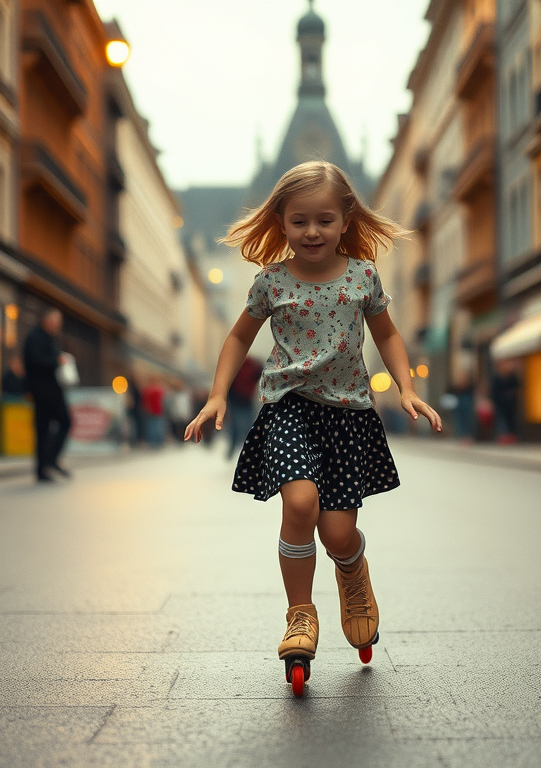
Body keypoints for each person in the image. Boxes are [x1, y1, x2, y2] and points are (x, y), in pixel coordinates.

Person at [184, 161, 442, 688]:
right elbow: (237, 338)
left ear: (346, 219)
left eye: (324, 219)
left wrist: (408, 387)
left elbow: (388, 335)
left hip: (347, 415)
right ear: (280, 221)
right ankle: (300, 614)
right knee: (300, 505)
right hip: (288, 408)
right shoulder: (271, 282)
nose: (312, 231)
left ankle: (352, 572)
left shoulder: (362, 275)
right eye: (299, 221)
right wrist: (216, 395)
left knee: (338, 532)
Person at [24, 309, 72, 482]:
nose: (58, 325)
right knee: (48, 427)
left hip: (51, 390)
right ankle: (46, 465)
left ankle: (47, 463)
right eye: (55, 321)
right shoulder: (35, 337)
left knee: (53, 426)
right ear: (46, 321)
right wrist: (56, 361)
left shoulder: (49, 338)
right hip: (43, 392)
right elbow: (36, 361)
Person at [227, 357, 263, 458]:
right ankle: (249, 449)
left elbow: (229, 384)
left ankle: (238, 448)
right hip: (245, 399)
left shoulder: (236, 366)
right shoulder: (252, 365)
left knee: (236, 426)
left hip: (238, 400)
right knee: (247, 425)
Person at [491, 361, 520, 443]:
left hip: (510, 403)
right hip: (500, 403)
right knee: (501, 420)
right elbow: (494, 391)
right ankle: (502, 436)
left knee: (510, 419)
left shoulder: (512, 377)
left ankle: (510, 436)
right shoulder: (497, 378)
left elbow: (517, 388)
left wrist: (511, 394)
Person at [141, 377, 167, 448]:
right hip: (158, 411)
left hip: (153, 411)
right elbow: (163, 401)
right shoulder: (159, 389)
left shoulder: (147, 390)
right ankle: (158, 442)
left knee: (152, 427)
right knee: (157, 427)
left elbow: (145, 402)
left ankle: (154, 442)